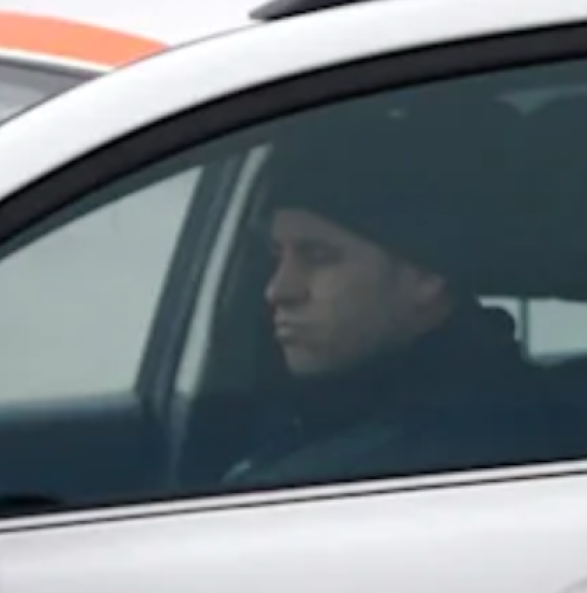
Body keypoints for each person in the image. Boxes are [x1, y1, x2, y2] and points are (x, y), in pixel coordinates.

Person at [221, 103, 563, 489]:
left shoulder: (459, 457)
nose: (278, 290)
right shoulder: (312, 416)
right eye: (275, 256)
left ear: (427, 275)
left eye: (316, 256)